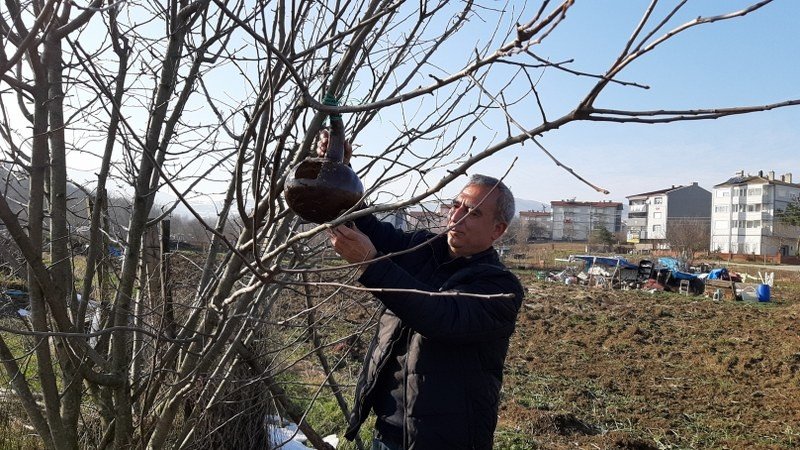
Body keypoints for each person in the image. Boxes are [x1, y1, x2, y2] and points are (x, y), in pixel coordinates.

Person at [317, 132, 524, 449]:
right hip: (387, 430)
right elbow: (362, 225)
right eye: (456, 206)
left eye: (474, 212)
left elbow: (440, 317)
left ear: (498, 230)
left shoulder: (500, 289)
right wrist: (341, 172)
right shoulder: (422, 247)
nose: (456, 217)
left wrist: (371, 263)